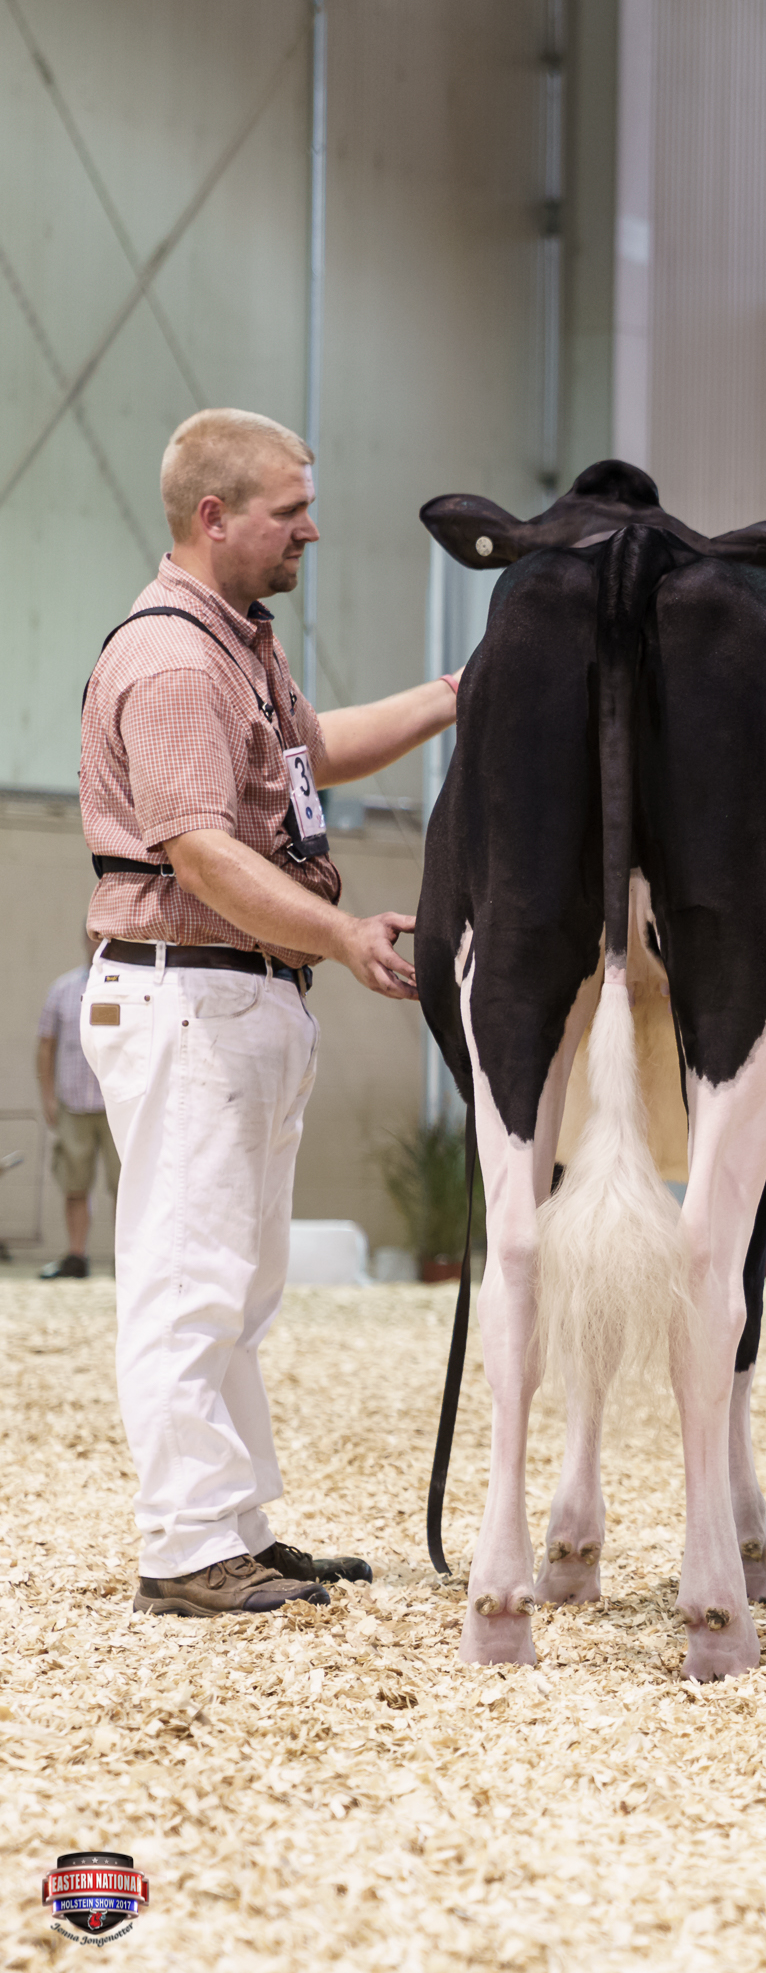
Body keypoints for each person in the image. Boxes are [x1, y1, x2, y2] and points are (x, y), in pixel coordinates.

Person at [81, 408, 459, 1615]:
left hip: (234, 992)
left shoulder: (238, 646)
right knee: (189, 1272)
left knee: (239, 1280)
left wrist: (456, 693)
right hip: (190, 986)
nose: (312, 530)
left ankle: (232, 1522)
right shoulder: (176, 660)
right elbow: (201, 852)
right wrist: (341, 934)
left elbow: (317, 751)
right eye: (290, 511)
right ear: (215, 516)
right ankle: (187, 1546)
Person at [35, 939, 117, 1279]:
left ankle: (125, 1261)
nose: (96, 944)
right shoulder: (62, 989)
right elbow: (46, 1045)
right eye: (92, 937)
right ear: (85, 940)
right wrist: (48, 1097)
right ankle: (76, 1256)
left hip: (118, 1107)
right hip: (73, 1103)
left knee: (126, 1187)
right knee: (74, 1184)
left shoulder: (129, 989)